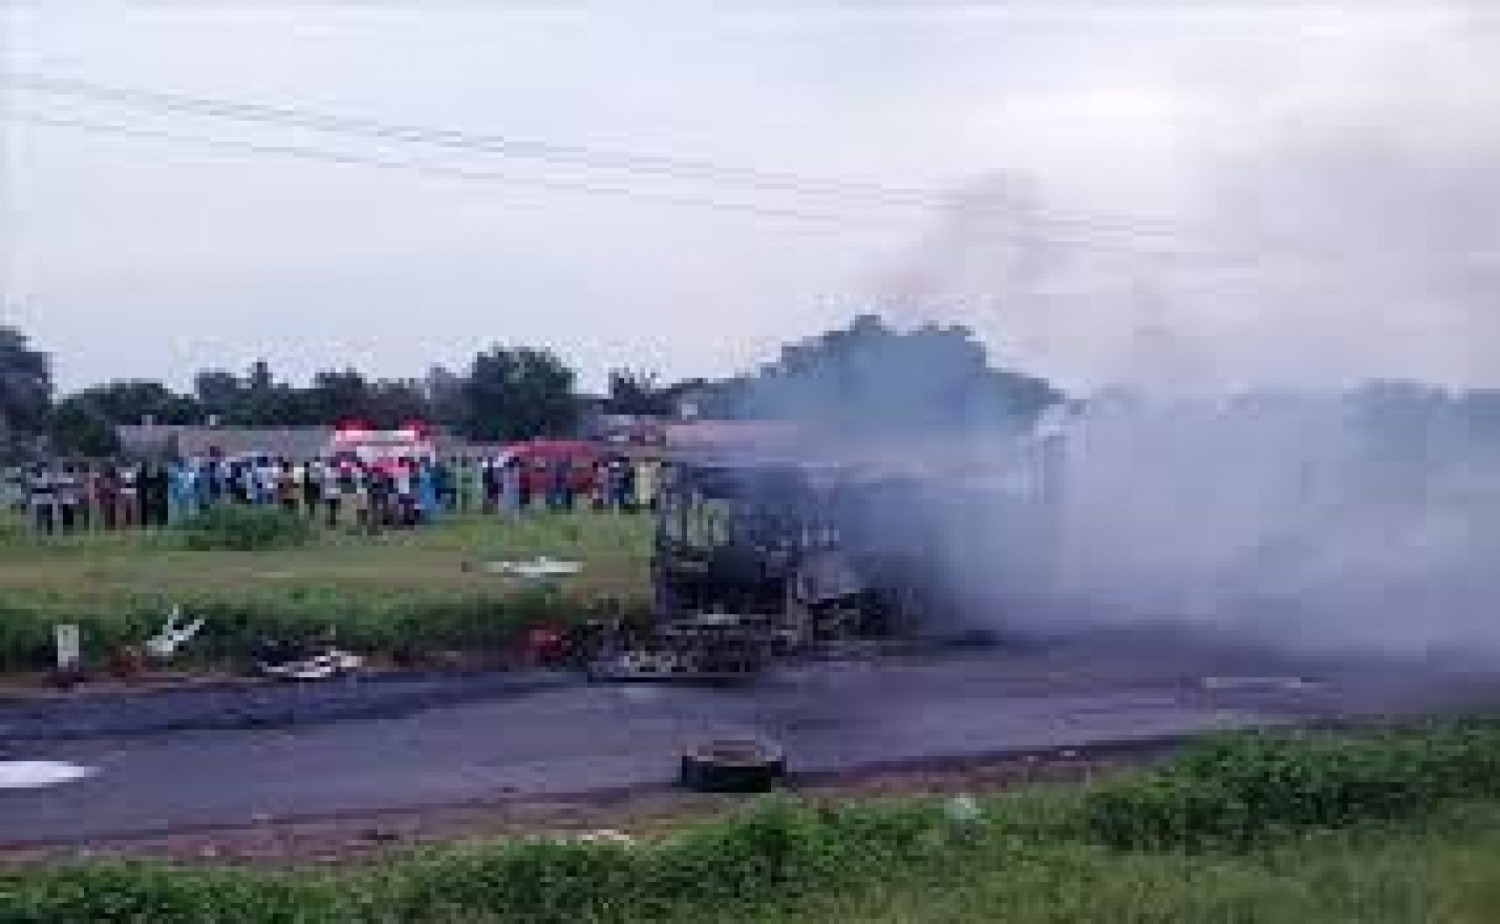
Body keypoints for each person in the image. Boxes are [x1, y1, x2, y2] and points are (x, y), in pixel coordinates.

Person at [28, 464, 57, 535]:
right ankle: (47, 528)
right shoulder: (46, 477)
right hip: (45, 498)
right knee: (45, 514)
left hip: (44, 498)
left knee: (44, 514)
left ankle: (46, 527)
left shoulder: (39, 478)